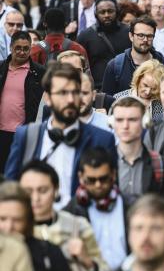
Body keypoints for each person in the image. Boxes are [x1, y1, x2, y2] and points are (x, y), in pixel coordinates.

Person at [6, 64, 116, 208]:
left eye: (75, 92)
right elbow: (10, 189)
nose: (71, 99)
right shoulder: (26, 136)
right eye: (63, 93)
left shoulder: (103, 139)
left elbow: (109, 193)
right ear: (48, 98)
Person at [20, 160, 108, 271]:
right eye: (28, 192)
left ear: (56, 190)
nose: (35, 198)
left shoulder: (77, 226)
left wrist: (87, 261)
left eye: (42, 190)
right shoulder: (11, 228)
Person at [64, 146, 128, 271]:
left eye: (103, 179)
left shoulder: (132, 206)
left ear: (113, 175)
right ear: (81, 178)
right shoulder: (70, 212)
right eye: (91, 180)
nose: (98, 185)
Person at [110, 96, 164, 203]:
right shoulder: (105, 161)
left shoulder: (159, 164)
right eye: (119, 120)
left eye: (132, 120)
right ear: (112, 123)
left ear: (145, 122)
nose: (125, 126)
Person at [0, 31, 45, 168]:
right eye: (18, 48)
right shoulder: (1, 69)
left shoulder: (39, 72)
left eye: (26, 48)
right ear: (11, 47)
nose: (22, 52)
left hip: (23, 133)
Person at [101, 15, 164, 97]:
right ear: (131, 36)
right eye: (141, 35)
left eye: (149, 36)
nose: (145, 40)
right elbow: (106, 100)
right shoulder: (115, 65)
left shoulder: (163, 64)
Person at [77, 0, 131, 91]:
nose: (106, 15)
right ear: (96, 14)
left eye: (110, 11)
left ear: (117, 12)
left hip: (126, 88)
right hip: (98, 89)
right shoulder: (85, 35)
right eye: (102, 12)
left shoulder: (129, 32)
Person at [114, 58, 164, 124]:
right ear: (138, 78)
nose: (148, 92)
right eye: (145, 85)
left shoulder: (163, 104)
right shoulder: (118, 98)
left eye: (154, 89)